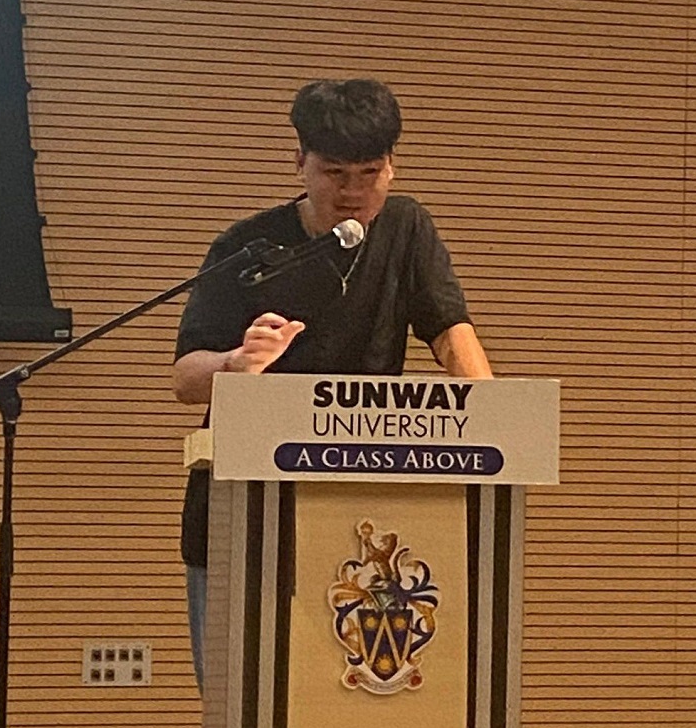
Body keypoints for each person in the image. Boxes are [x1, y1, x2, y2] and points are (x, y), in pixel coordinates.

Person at [173, 77, 492, 691]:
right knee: (241, 701)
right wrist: (236, 362)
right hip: (246, 510)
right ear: (299, 161)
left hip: (359, 512)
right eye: (335, 174)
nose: (353, 193)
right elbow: (185, 379)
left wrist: (493, 419)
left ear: (392, 167)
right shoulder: (248, 248)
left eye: (369, 173)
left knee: (350, 696)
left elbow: (451, 333)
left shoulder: (406, 229)